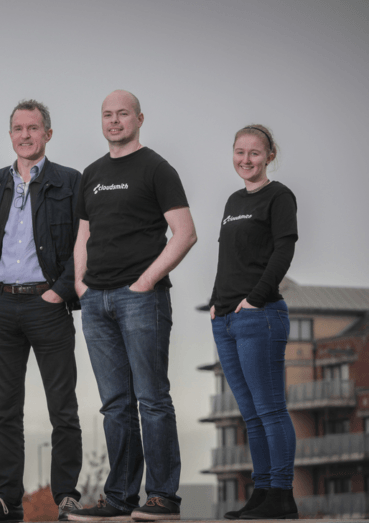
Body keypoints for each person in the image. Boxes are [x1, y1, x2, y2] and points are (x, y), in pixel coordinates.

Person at [69, 90, 196, 522]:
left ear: (139, 118)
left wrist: (145, 281)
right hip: (96, 302)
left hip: (141, 300)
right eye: (107, 115)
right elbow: (83, 234)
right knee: (114, 404)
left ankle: (162, 498)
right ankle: (120, 498)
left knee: (152, 398)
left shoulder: (157, 168)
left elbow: (185, 232)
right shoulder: (92, 173)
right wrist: (81, 285)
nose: (114, 121)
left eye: (123, 114)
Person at [0, 100, 83, 523]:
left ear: (47, 134)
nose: (25, 135)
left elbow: (81, 245)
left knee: (62, 408)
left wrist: (60, 292)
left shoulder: (70, 182)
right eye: (18, 128)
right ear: (11, 134)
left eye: (33, 128)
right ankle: (7, 500)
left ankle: (67, 497)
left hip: (47, 305)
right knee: (6, 410)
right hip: (1, 306)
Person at [209, 125, 298, 520]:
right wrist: (216, 303)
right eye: (240, 152)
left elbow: (283, 250)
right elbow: (228, 258)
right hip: (226, 319)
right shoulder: (232, 200)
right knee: (250, 413)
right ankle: (262, 493)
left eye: (255, 153)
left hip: (259, 316)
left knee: (271, 409)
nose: (246, 160)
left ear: (270, 155)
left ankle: (282, 494)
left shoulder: (279, 196)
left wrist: (254, 300)